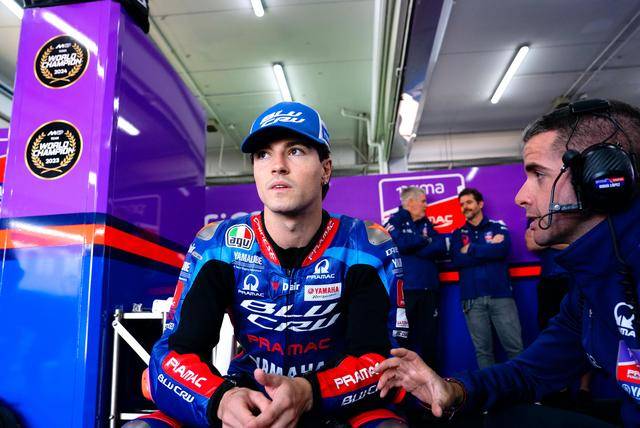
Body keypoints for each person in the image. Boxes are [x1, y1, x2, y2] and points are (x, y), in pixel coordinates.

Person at [132, 101, 408, 428]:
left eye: (295, 151)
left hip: (333, 399)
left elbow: (385, 362)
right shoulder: (218, 245)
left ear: (326, 169)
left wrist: (310, 392)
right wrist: (220, 400)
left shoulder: (366, 246)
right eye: (263, 154)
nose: (277, 166)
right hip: (249, 394)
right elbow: (171, 357)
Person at [376, 98, 640, 427]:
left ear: (602, 178)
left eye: (538, 174)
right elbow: (531, 371)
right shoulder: (588, 286)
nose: (520, 197)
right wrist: (452, 390)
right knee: (500, 417)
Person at [451, 188, 523, 369]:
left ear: (480, 204)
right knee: (483, 352)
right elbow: (457, 260)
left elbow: (502, 250)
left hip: (501, 296)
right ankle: (490, 389)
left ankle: (522, 387)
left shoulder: (497, 227)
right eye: (462, 204)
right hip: (472, 300)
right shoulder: (458, 233)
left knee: (515, 348)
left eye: (469, 202)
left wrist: (471, 249)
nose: (465, 207)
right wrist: (488, 248)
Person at [385, 186, 447, 368]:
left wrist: (415, 246)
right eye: (423, 201)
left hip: (429, 290)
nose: (426, 205)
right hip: (405, 292)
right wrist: (425, 240)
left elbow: (440, 247)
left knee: (430, 340)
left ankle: (433, 382)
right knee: (402, 341)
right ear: (410, 202)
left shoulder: (427, 223)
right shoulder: (394, 221)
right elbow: (399, 244)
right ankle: (402, 383)